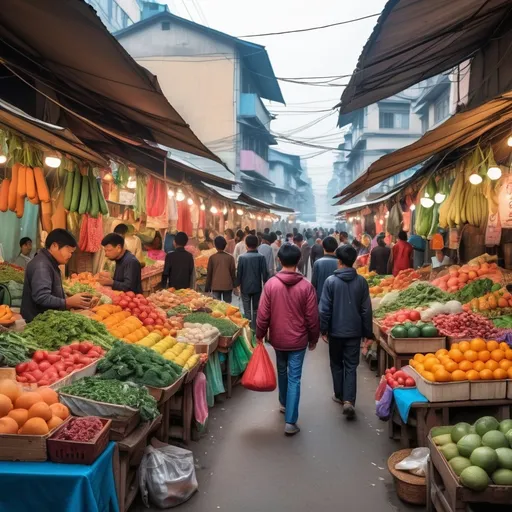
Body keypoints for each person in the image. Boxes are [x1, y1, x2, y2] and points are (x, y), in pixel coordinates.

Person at [256, 244, 319, 436]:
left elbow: (263, 314)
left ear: (279, 260)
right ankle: (290, 421)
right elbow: (312, 316)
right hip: (298, 340)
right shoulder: (306, 286)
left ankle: (283, 403)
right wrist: (313, 338)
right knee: (294, 378)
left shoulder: (271, 285)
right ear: (299, 261)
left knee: (282, 371)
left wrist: (259, 334)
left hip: (278, 338)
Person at [319, 245, 373, 419]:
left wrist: (323, 329)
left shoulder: (330, 282)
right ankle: (349, 400)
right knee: (351, 366)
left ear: (339, 261)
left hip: (335, 332)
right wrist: (367, 333)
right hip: (354, 332)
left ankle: (340, 395)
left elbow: (324, 309)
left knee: (336, 364)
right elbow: (366, 310)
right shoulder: (361, 282)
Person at [21, 229, 91, 322]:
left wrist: (68, 297)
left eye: (72, 252)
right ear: (54, 246)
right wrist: (67, 302)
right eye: (69, 251)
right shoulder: (42, 265)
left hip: (48, 320)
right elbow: (42, 297)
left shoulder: (50, 262)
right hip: (38, 324)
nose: (70, 255)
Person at [237, 235, 268, 330]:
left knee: (247, 310)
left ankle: (248, 329)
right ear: (258, 244)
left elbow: (239, 274)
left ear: (246, 245)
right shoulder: (261, 257)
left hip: (245, 288)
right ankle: (255, 329)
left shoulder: (242, 258)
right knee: (256, 310)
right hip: (257, 287)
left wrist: (237, 285)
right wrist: (266, 285)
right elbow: (265, 274)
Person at [205, 236, 236, 303]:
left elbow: (209, 274)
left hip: (215, 286)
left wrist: (207, 288)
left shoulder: (212, 258)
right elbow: (233, 273)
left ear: (215, 246)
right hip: (227, 286)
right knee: (227, 306)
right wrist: (235, 285)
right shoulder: (230, 258)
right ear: (225, 245)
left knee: (216, 307)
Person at [311, 236, 339, 302]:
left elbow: (314, 285)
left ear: (323, 247)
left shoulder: (317, 263)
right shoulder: (340, 263)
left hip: (321, 299)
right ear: (336, 247)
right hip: (336, 299)